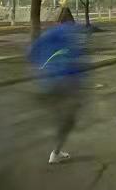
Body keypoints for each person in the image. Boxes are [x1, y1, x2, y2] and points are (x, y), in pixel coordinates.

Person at [29, 22, 87, 164]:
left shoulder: (48, 35)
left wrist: (42, 69)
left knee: (62, 116)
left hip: (48, 84)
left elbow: (30, 54)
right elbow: (74, 63)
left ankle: (56, 150)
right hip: (65, 84)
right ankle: (55, 152)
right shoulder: (68, 36)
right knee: (68, 119)